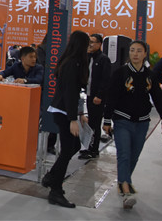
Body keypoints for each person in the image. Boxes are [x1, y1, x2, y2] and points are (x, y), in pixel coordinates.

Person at [103, 40, 162, 210]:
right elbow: (111, 96)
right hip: (122, 119)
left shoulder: (150, 75)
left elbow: (158, 98)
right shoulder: (120, 73)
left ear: (145, 54)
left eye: (139, 51)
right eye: (132, 50)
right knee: (124, 155)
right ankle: (126, 191)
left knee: (134, 156)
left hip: (142, 122)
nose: (135, 54)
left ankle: (123, 182)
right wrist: (107, 119)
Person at [41, 30, 90, 209]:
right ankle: (55, 190)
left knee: (74, 146)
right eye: (88, 44)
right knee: (69, 149)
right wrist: (72, 119)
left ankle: (51, 177)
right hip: (63, 112)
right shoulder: (71, 64)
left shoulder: (74, 62)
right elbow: (70, 93)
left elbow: (76, 93)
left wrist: (80, 114)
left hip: (66, 111)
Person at [79, 33, 111, 160]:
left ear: (99, 44)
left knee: (95, 123)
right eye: (89, 42)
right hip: (88, 94)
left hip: (97, 97)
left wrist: (99, 95)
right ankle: (88, 147)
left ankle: (93, 149)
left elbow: (105, 79)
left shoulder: (103, 59)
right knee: (90, 122)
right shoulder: (87, 57)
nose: (90, 44)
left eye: (92, 42)